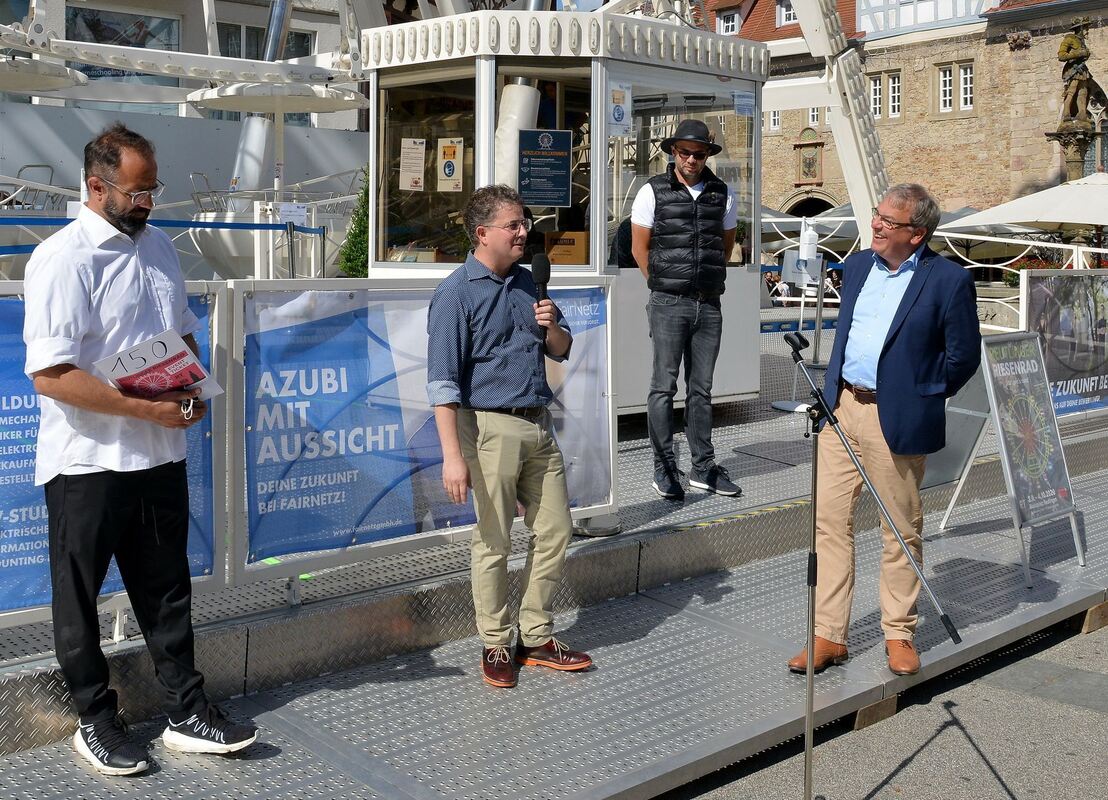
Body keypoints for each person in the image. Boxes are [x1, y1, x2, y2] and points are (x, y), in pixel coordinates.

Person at [23, 124, 257, 776]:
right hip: (87, 463)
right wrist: (142, 408)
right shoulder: (63, 260)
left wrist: (191, 393)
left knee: (167, 593)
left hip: (159, 456)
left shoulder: (160, 249)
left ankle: (187, 711)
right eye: (137, 191)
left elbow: (177, 336)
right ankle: (96, 722)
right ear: (97, 187)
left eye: (154, 187)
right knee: (80, 601)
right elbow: (51, 375)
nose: (149, 201)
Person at [786, 184, 981, 677]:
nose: (875, 225)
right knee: (829, 523)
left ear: (916, 235)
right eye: (876, 216)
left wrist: (921, 395)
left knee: (899, 529)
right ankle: (829, 635)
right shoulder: (855, 268)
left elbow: (963, 357)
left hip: (893, 419)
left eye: (888, 223)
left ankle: (899, 633)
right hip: (841, 409)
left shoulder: (947, 280)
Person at [426, 184, 592, 689]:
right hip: (489, 426)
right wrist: (452, 456)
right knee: (494, 540)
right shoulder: (456, 294)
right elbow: (442, 381)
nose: (525, 232)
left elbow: (561, 349)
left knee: (557, 531)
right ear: (482, 234)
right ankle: (496, 642)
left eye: (524, 223)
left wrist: (550, 327)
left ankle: (536, 634)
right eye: (514, 225)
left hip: (538, 423)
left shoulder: (528, 283)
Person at [631, 119, 740, 501]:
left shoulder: (721, 193)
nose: (691, 159)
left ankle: (703, 468)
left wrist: (703, 281)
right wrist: (661, 283)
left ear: (708, 154)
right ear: (673, 152)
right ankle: (664, 467)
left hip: (708, 303)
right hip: (668, 301)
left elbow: (724, 247)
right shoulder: (652, 191)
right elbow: (639, 248)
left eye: (698, 153)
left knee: (702, 389)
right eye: (684, 152)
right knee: (663, 387)